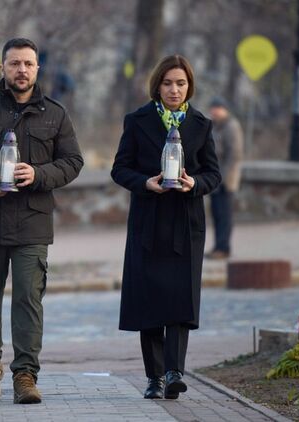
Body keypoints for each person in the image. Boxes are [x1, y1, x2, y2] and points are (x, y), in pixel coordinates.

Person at [0, 38, 83, 404]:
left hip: (33, 222)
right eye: (14, 63)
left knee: (28, 299)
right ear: (2, 67)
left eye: (28, 64)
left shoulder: (55, 114)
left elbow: (73, 161)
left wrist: (38, 174)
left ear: (38, 68)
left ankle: (25, 375)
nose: (21, 70)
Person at [111, 55, 221, 400]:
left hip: (186, 224)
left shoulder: (201, 124)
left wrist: (194, 183)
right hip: (148, 222)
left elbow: (213, 174)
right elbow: (120, 169)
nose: (175, 90)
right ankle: (154, 377)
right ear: (157, 85)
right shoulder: (137, 121)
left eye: (181, 83)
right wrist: (145, 183)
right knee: (149, 301)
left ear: (190, 87)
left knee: (179, 299)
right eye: (168, 83)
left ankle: (175, 371)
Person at [206, 97, 244, 259]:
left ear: (224, 109)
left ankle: (224, 248)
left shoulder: (231, 126)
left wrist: (222, 178)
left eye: (217, 108)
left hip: (226, 181)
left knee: (224, 216)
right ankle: (217, 247)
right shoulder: (214, 126)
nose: (214, 111)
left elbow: (234, 155)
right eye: (212, 108)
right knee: (216, 215)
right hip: (215, 180)